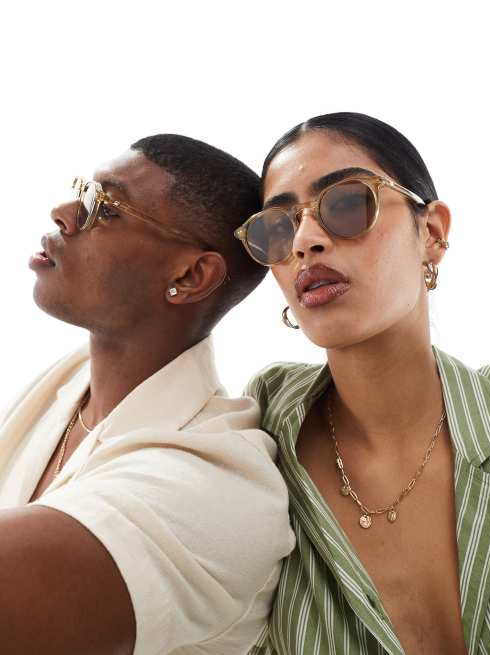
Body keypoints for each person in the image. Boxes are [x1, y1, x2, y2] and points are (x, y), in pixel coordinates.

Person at [0, 134, 295, 655]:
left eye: (106, 209)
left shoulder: (219, 486)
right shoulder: (66, 386)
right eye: (83, 192)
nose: (63, 213)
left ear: (191, 274)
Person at [237, 113, 490, 655]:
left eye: (345, 204)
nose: (304, 242)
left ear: (431, 233)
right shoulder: (259, 441)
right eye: (277, 229)